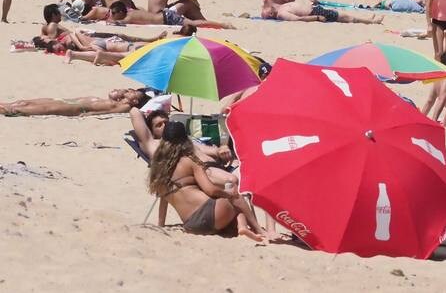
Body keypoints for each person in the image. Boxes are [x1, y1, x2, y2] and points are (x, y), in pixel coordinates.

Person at [147, 121, 268, 241]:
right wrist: (229, 194)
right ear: (185, 140)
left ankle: (241, 227)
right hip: (210, 214)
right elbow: (210, 190)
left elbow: (163, 200)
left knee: (229, 217)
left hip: (192, 226)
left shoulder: (158, 170)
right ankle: (257, 229)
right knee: (232, 190)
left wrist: (161, 224)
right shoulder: (189, 161)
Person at [1, 88, 150, 117]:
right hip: (69, 100)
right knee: (23, 102)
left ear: (135, 100)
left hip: (75, 107)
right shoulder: (119, 99)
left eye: (133, 93)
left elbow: (110, 111)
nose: (129, 91)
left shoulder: (125, 106)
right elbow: (112, 92)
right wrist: (123, 92)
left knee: (25, 108)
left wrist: (92, 113)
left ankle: (4, 109)